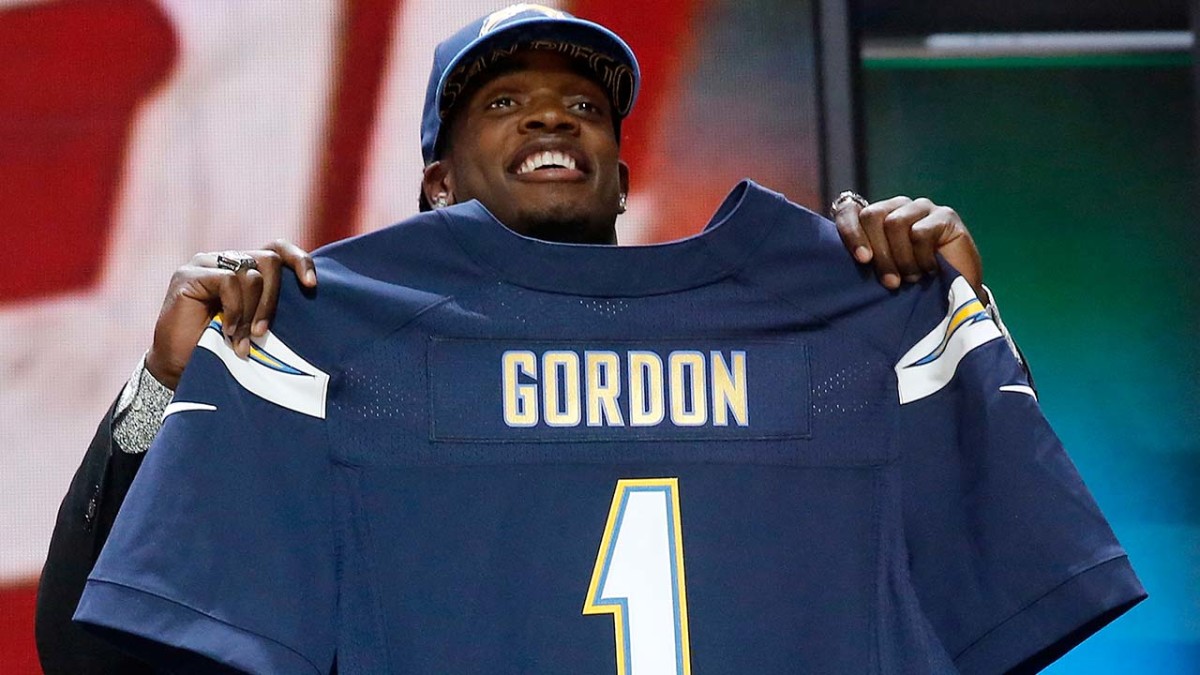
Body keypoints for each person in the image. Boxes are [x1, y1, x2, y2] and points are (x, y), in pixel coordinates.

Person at [38, 5, 1135, 674]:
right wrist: (166, 392)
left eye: (583, 105)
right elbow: (97, 656)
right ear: (435, 180)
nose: (552, 116)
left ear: (620, 167)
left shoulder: (831, 317)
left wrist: (956, 328)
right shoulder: (335, 354)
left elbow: (993, 587)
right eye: (504, 100)